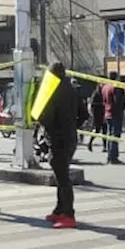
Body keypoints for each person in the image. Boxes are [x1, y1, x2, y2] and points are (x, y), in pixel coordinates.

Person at [38, 62, 80, 229]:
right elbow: (84, 113)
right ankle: (59, 209)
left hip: (57, 139)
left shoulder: (52, 91)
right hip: (70, 138)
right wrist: (71, 124)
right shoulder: (71, 89)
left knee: (63, 178)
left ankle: (69, 214)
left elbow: (45, 118)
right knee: (61, 175)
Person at [101, 72, 125, 164]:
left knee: (109, 135)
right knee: (115, 136)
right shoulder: (116, 87)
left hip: (107, 112)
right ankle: (113, 157)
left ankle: (109, 156)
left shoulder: (105, 87)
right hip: (115, 114)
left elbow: (104, 100)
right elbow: (118, 102)